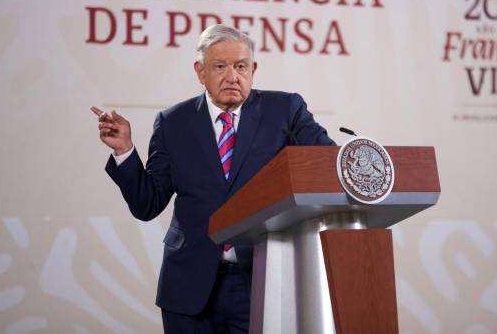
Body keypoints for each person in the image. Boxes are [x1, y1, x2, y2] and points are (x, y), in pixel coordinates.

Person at [91, 24, 335, 333]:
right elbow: (147, 204)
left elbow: (328, 162)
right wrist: (125, 150)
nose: (232, 76)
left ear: (253, 70)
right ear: (200, 71)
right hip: (189, 285)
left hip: (263, 280)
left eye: (241, 66)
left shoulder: (285, 110)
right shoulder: (173, 122)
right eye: (220, 67)